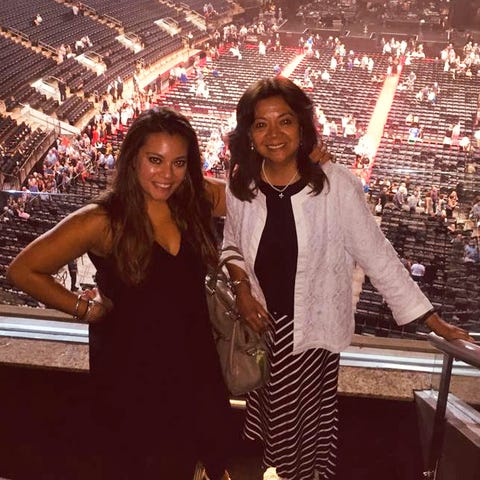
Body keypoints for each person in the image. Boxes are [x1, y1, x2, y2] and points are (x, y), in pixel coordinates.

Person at [222, 77, 472, 480]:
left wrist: (431, 319)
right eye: (261, 124)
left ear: (302, 127)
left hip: (313, 332)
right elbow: (230, 245)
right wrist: (243, 291)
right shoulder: (242, 186)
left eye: (285, 121)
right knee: (275, 437)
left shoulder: (335, 185)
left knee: (303, 440)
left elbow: (377, 254)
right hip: (264, 330)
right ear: (248, 133)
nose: (274, 134)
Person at [7, 107, 233, 480]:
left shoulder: (195, 199)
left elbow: (257, 195)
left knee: (198, 457)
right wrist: (85, 310)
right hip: (131, 371)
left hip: (194, 362)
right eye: (155, 160)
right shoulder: (101, 220)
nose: (167, 174)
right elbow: (24, 269)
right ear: (133, 159)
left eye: (179, 162)